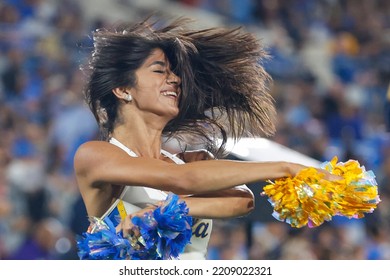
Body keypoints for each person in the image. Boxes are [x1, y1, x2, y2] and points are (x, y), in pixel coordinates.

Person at [73, 16, 339, 260]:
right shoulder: (95, 156)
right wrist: (285, 167)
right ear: (122, 89)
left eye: (173, 72)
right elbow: (182, 180)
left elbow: (243, 201)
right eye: (159, 70)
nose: (175, 79)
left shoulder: (189, 161)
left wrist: (164, 210)